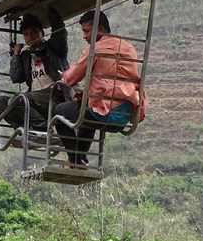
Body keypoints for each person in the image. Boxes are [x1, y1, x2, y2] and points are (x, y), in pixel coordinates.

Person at [53, 10, 146, 169]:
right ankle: (80, 159)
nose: (85, 36)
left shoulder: (95, 49)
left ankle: (75, 159)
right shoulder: (129, 48)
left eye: (87, 31)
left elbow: (71, 78)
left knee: (60, 111)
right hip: (124, 115)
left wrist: (64, 76)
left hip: (105, 112)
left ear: (100, 29)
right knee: (85, 107)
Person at [0, 6, 68, 134]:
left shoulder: (53, 48)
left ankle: (44, 128)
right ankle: (26, 131)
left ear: (42, 33)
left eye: (34, 32)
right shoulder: (27, 56)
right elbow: (16, 77)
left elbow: (60, 34)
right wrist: (16, 54)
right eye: (26, 34)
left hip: (54, 95)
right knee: (1, 103)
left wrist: (48, 6)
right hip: (34, 100)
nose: (31, 36)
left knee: (19, 99)